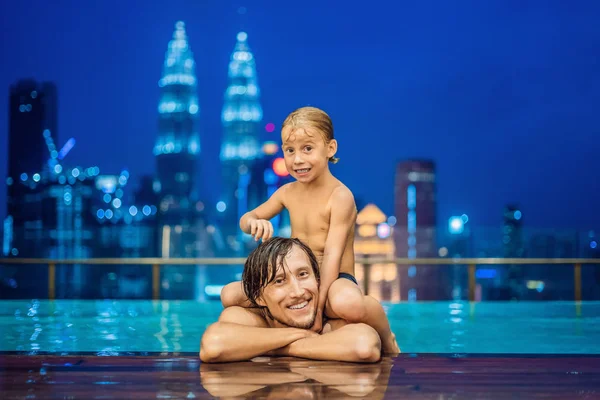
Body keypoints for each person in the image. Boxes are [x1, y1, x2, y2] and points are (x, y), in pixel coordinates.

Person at [220, 106, 399, 353]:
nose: (298, 159)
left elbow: (332, 256)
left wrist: (317, 311)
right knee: (229, 295)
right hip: (298, 278)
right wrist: (254, 222)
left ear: (330, 148)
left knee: (349, 304)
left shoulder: (340, 196)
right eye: (290, 150)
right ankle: (306, 328)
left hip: (335, 278)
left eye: (307, 149)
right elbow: (246, 218)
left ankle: (385, 333)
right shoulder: (287, 192)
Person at [200, 237, 382, 363]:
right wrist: (299, 335)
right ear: (258, 297)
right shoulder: (250, 318)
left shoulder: (331, 318)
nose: (298, 292)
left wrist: (273, 347)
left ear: (317, 279)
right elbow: (213, 345)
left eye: (303, 274)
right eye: (279, 281)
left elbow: (364, 346)